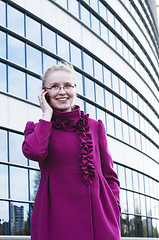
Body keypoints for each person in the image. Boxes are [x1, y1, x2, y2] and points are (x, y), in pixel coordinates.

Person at [22, 62, 121, 240]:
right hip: (54, 219)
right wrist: (46, 115)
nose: (62, 92)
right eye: (54, 87)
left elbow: (110, 176)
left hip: (99, 221)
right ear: (44, 93)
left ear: (75, 89)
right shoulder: (37, 129)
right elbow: (34, 152)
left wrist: (113, 209)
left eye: (67, 85)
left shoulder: (95, 126)